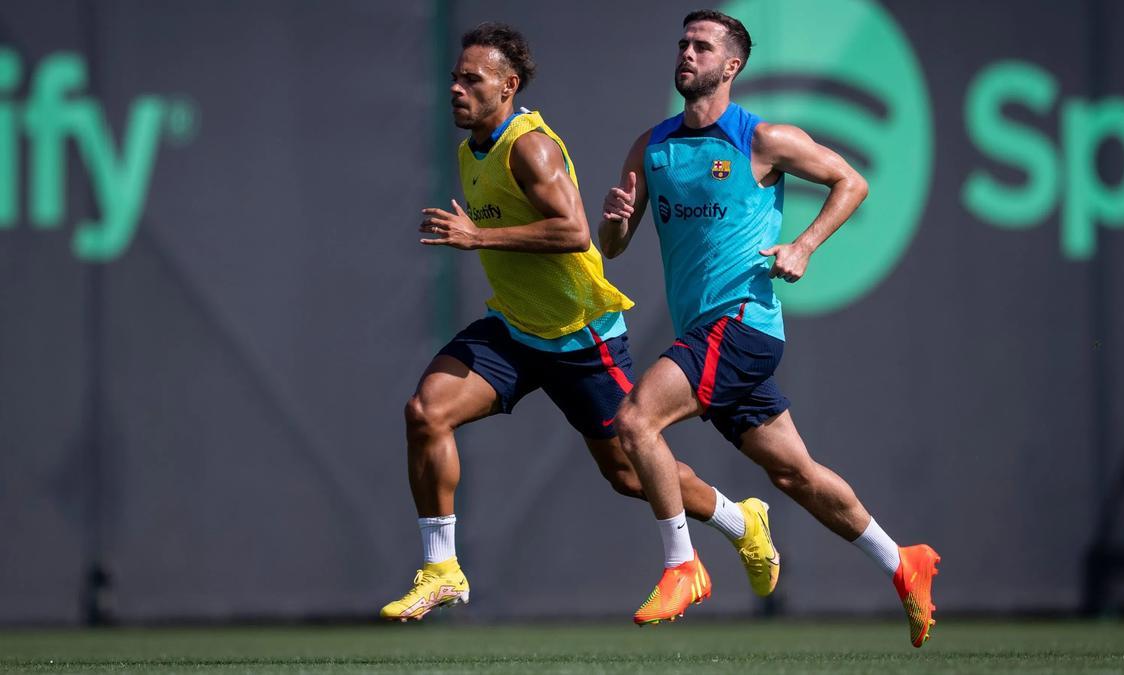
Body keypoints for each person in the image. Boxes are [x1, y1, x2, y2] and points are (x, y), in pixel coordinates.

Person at [380, 22, 780, 623]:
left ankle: (739, 517)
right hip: (516, 330)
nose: (457, 89)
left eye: (473, 79)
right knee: (425, 412)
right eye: (455, 78)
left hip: (581, 334)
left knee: (628, 472)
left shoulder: (530, 146)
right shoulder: (471, 150)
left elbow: (572, 232)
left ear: (508, 86)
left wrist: (477, 236)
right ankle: (442, 568)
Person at [598, 10, 940, 645]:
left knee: (635, 421)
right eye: (683, 43)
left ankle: (682, 565)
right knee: (796, 476)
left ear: (732, 66)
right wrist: (615, 221)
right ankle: (904, 563)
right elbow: (612, 246)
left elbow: (851, 180)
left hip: (742, 325)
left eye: (702, 46)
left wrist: (805, 245)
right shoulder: (654, 146)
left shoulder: (762, 139)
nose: (687, 53)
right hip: (710, 334)